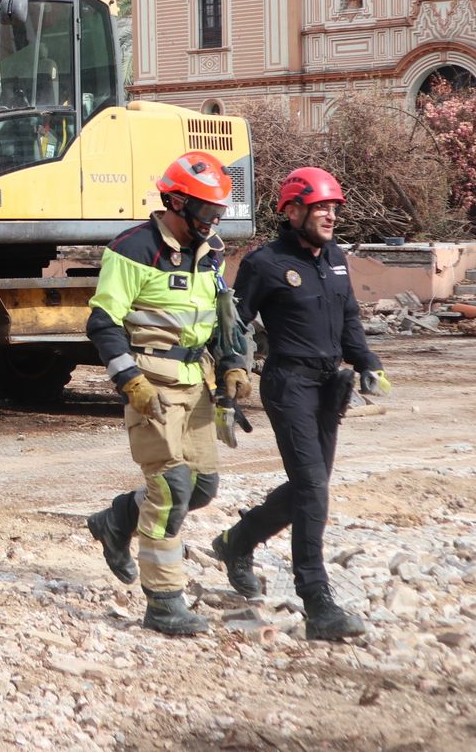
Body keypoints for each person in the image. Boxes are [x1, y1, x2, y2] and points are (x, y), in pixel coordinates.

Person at [210, 168, 387, 641]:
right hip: (288, 384)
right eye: (321, 207)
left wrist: (368, 361)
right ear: (292, 212)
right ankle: (317, 603)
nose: (330, 215)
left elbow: (348, 315)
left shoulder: (334, 258)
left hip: (330, 385)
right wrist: (228, 384)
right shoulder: (264, 262)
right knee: (312, 489)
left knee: (310, 487)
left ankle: (235, 542)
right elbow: (234, 326)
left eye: (334, 208)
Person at [84, 151, 251, 636]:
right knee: (170, 489)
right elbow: (103, 322)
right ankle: (164, 601)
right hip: (150, 385)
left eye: (218, 211)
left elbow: (222, 318)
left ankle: (116, 521)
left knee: (201, 488)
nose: (214, 220)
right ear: (175, 202)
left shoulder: (210, 249)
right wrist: (129, 381)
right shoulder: (133, 250)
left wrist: (234, 365)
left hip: (194, 382)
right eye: (205, 211)